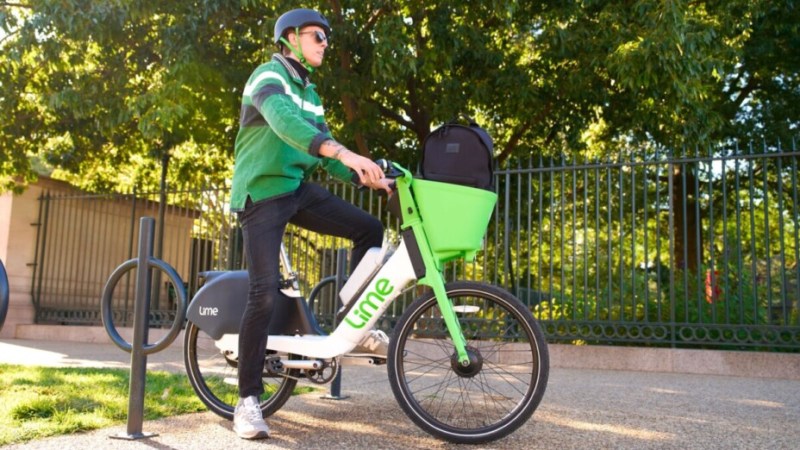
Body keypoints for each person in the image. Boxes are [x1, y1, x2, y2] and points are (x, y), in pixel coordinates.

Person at [229, 8, 392, 440]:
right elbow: (285, 124)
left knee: (369, 230)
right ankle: (247, 402)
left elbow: (326, 147)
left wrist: (370, 174)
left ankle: (354, 326)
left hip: (296, 188)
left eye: (326, 38)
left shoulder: (311, 93)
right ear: (291, 37)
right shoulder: (267, 76)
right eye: (318, 36)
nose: (324, 43)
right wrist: (342, 154)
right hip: (262, 193)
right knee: (264, 293)